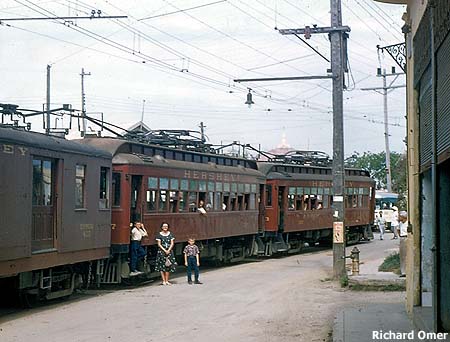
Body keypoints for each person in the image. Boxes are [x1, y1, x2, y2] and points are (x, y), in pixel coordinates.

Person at [398, 211, 408, 277]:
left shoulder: (407, 223)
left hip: (406, 237)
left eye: (400, 216)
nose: (399, 217)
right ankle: (403, 271)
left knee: (407, 255)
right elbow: (398, 230)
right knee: (402, 255)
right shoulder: (400, 223)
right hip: (402, 238)